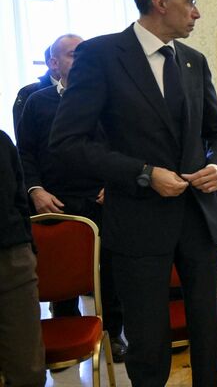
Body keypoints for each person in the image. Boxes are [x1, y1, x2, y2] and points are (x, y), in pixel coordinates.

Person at [49, 0, 217, 384]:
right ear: (160, 2)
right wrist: (145, 173)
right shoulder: (100, 56)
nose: (197, 14)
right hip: (138, 221)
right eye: (191, 2)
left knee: (207, 331)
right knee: (148, 342)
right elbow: (67, 143)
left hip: (198, 219)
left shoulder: (193, 62)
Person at [17, 33, 128, 363]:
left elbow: (120, 148)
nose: (81, 62)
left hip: (101, 199)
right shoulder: (37, 102)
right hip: (55, 202)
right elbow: (24, 155)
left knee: (109, 272)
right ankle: (66, 337)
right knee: (61, 272)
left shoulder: (108, 102)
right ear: (54, 63)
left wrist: (116, 182)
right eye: (72, 56)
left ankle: (113, 333)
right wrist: (36, 191)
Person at [0, 130, 46, 387]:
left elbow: (18, 201)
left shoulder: (2, 141)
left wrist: (25, 250)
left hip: (11, 259)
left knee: (27, 368)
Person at [12, 46, 60, 138]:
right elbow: (23, 140)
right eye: (73, 55)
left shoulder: (86, 91)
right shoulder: (28, 93)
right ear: (53, 63)